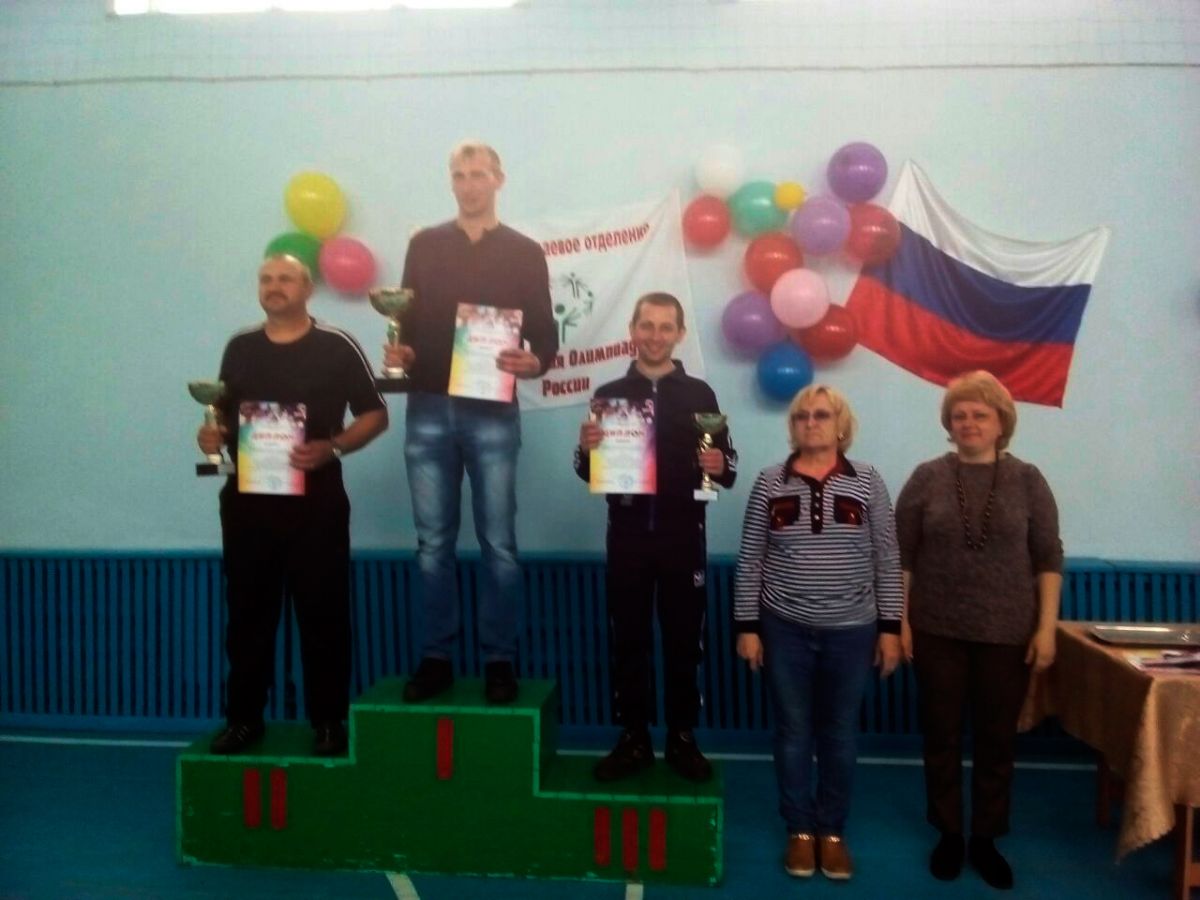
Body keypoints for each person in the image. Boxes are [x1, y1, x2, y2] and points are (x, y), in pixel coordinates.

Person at [384, 140, 558, 705]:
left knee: (499, 543)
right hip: (428, 406)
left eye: (478, 173)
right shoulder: (425, 245)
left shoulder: (525, 252)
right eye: (459, 175)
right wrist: (403, 353)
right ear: (451, 182)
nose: (468, 184)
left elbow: (545, 333)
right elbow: (406, 323)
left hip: (492, 410)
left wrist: (537, 361)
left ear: (498, 179)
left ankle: (499, 660)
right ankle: (436, 657)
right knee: (432, 543)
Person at [198, 254, 388, 757]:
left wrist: (335, 446)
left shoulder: (337, 345)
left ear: (308, 289)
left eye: (285, 278)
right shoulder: (239, 347)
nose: (274, 286)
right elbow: (223, 419)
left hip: (316, 505)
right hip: (247, 504)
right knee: (247, 617)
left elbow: (376, 414)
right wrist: (211, 438)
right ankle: (244, 720)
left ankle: (327, 722)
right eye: (266, 279)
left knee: (324, 614)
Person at [896, 370, 1062, 891]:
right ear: (949, 424)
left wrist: (1046, 629)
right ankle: (949, 833)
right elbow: (902, 557)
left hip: (1008, 633)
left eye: (979, 415)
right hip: (935, 628)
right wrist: (899, 622)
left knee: (996, 742)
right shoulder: (926, 478)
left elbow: (1048, 558)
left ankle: (986, 838)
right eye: (959, 415)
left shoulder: (1029, 480)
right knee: (940, 736)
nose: (968, 422)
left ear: (1001, 422)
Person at [734, 384, 902, 881]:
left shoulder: (868, 481)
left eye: (822, 415)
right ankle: (800, 830)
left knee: (840, 733)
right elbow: (751, 559)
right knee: (792, 731)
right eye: (802, 416)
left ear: (841, 425)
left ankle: (832, 830)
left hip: (852, 632)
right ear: (793, 426)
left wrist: (890, 629)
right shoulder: (769, 481)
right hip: (783, 629)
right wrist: (747, 627)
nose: (811, 423)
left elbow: (887, 557)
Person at [575, 292, 737, 784]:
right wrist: (587, 451)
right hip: (627, 536)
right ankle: (634, 737)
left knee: (685, 642)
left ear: (679, 334)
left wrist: (718, 464)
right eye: (646, 325)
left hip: (683, 536)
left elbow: (727, 468)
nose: (655, 336)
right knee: (628, 639)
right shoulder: (610, 392)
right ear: (632, 329)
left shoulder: (701, 395)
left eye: (666, 327)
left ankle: (682, 737)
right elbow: (589, 472)